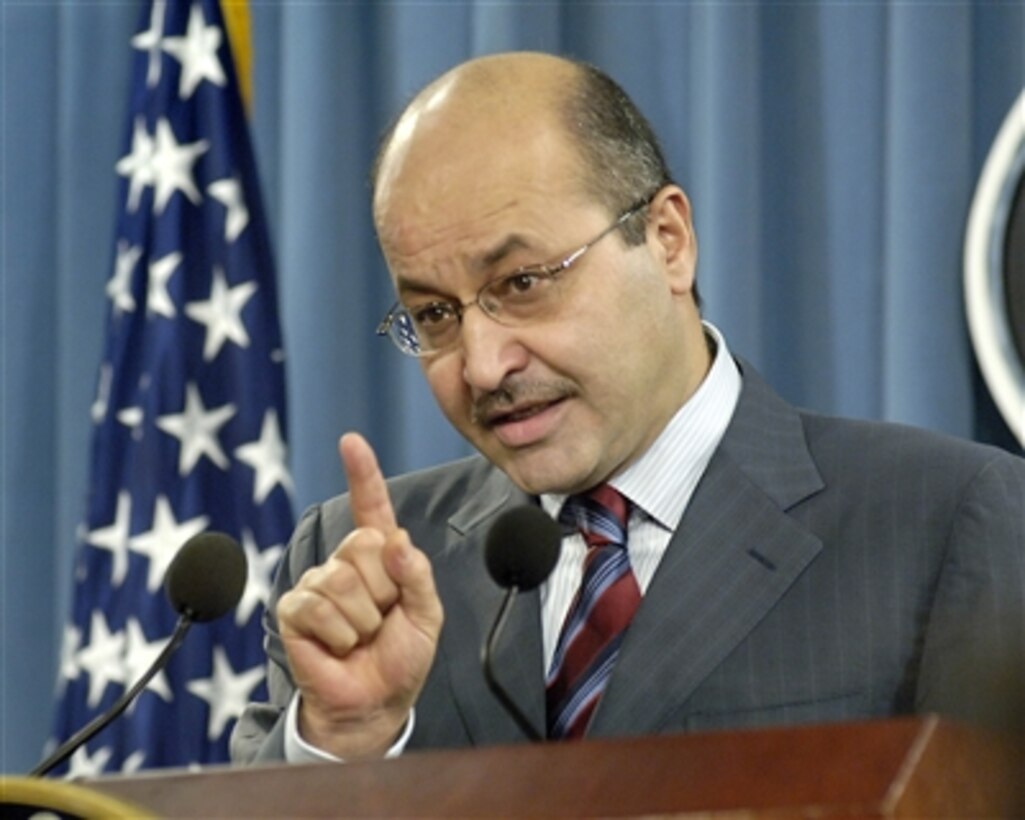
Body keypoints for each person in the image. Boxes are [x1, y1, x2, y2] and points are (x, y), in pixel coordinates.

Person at [232, 51, 1025, 764]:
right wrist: (344, 743)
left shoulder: (944, 521)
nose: (482, 365)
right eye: (435, 314)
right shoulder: (355, 562)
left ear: (668, 239)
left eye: (522, 283)